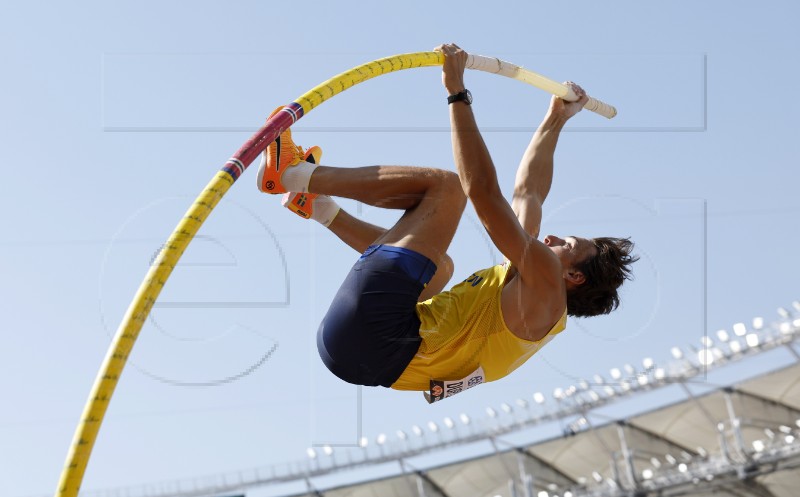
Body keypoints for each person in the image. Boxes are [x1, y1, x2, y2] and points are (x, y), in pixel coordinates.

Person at [256, 43, 637, 402]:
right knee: (441, 268)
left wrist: (457, 92)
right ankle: (318, 207)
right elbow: (528, 194)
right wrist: (555, 119)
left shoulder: (544, 288)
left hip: (376, 338)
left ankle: (291, 174)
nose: (552, 237)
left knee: (446, 188)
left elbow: (483, 193)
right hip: (362, 356)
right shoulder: (529, 290)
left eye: (566, 245)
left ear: (574, 277)